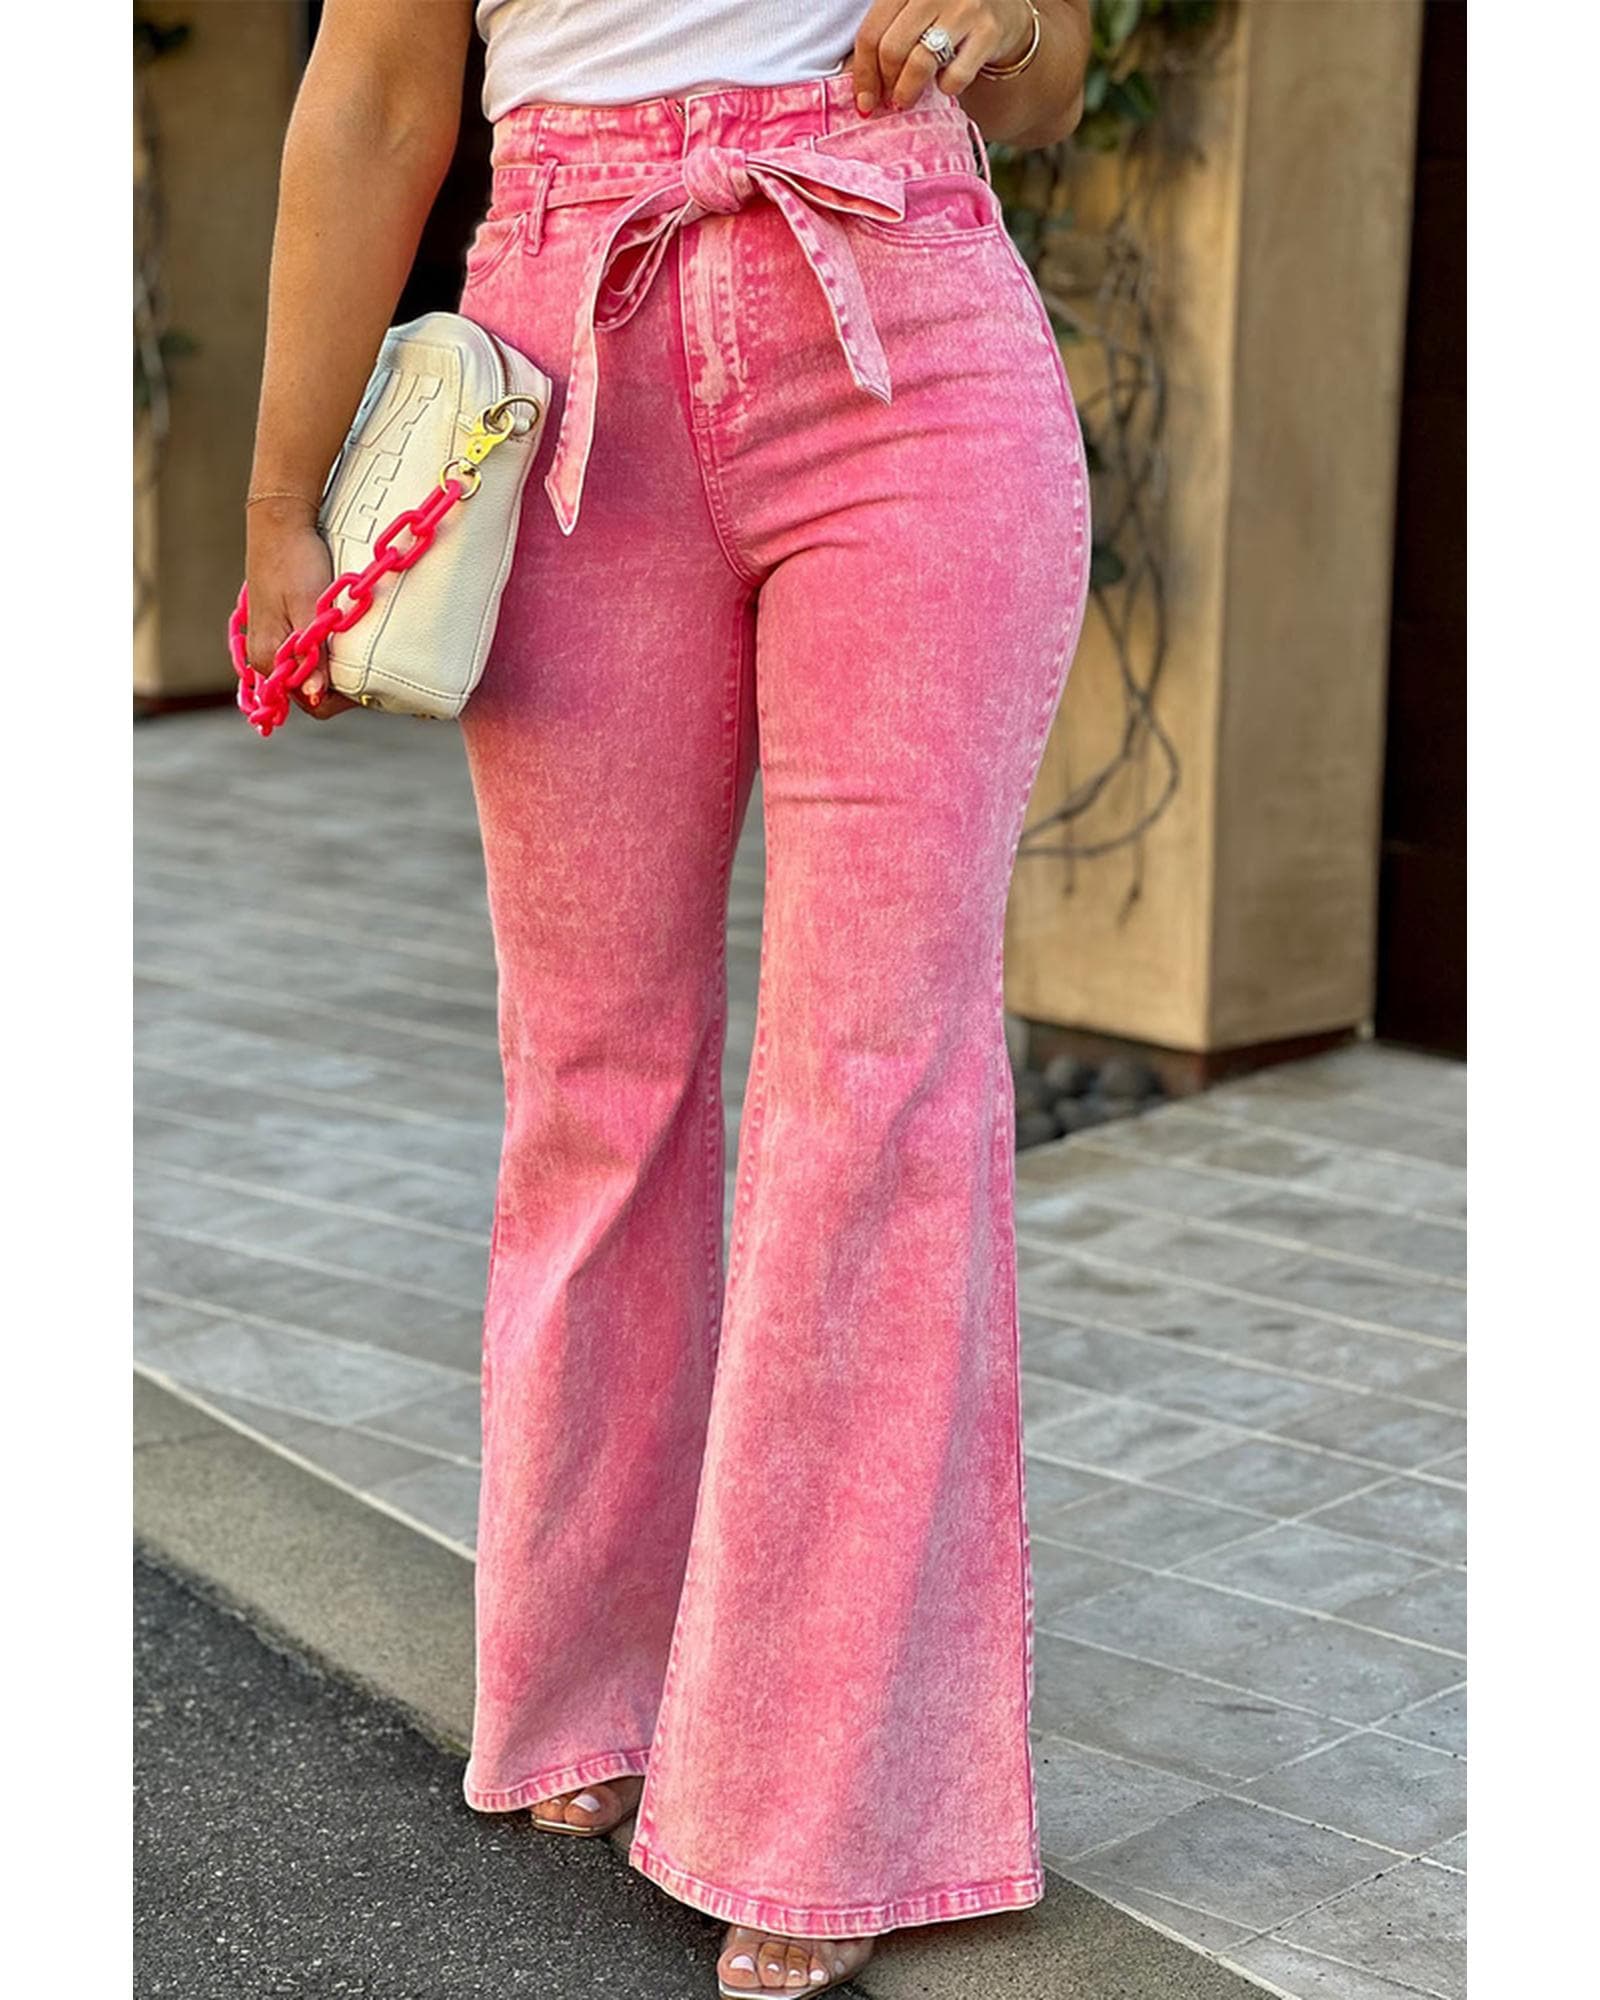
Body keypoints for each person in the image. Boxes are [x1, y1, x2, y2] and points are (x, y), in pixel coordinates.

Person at [241, 2, 1092, 1991]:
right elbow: (378, 89)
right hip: (565, 347)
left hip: (902, 318)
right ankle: (600, 1675)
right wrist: (283, 505)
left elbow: (1047, 77)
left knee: (874, 1089)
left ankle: (821, 1807)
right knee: (596, 1077)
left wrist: (999, 28)